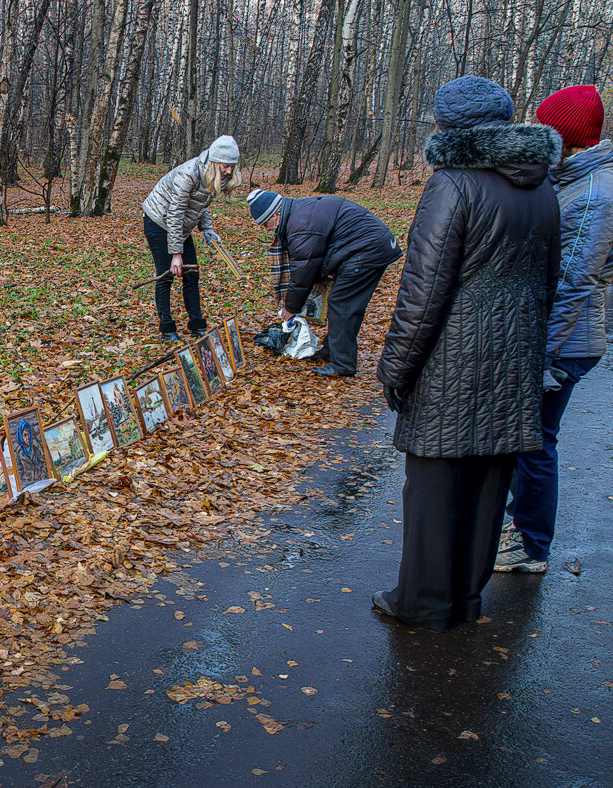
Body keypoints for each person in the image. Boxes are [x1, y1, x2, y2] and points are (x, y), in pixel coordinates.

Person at [373, 75, 562, 631]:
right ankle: (465, 599)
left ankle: (423, 604)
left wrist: (395, 368)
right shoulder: (542, 186)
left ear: (447, 126)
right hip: (516, 360)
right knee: (487, 484)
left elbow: (423, 289)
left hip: (453, 362)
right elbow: (548, 283)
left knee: (433, 485)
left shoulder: (453, 184)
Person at [496, 85, 613, 573]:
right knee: (530, 435)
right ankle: (521, 524)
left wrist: (542, 353)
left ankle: (531, 545)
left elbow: (573, 281)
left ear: (564, 137)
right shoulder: (577, 180)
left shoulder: (592, 193)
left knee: (535, 439)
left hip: (565, 341)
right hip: (564, 336)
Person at [246, 188, 402, 376]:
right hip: (373, 245)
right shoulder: (299, 211)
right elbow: (315, 256)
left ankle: (342, 364)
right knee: (344, 303)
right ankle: (331, 351)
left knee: (342, 303)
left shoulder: (300, 224)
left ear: (276, 215)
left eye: (266, 224)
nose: (267, 229)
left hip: (368, 249)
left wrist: (291, 308)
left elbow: (304, 270)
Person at [142, 136, 242, 343]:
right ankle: (167, 329)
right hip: (159, 221)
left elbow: (199, 206)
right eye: (226, 166)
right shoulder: (188, 174)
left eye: (232, 167)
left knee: (192, 274)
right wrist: (176, 254)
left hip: (179, 225)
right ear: (215, 162)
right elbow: (175, 213)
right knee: (166, 275)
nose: (229, 172)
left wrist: (208, 230)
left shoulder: (211, 174)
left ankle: (197, 326)